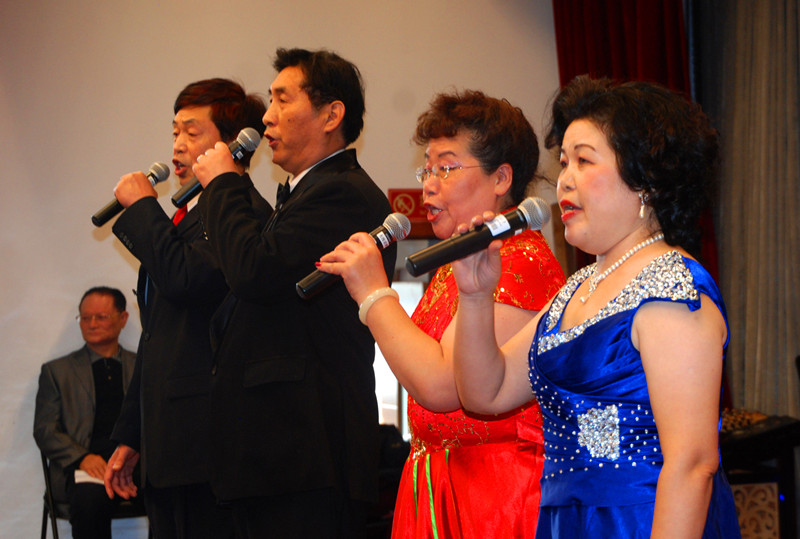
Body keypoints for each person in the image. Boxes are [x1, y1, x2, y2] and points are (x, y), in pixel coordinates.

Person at [450, 76, 741, 537]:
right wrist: (474, 296)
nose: (564, 179)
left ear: (645, 179)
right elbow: (487, 392)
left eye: (584, 160)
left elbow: (692, 464)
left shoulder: (672, 287)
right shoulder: (579, 287)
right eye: (564, 161)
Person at [318, 90, 566, 537]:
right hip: (439, 483)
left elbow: (441, 385)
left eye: (446, 168)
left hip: (491, 495)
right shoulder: (461, 261)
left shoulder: (519, 258)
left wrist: (374, 294)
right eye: (427, 169)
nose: (428, 185)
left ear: (501, 178)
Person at [191, 48, 396, 538]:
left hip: (308, 453)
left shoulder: (342, 192)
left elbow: (254, 271)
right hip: (281, 455)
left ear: (331, 115)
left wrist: (222, 185)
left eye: (283, 100)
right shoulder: (305, 192)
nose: (267, 116)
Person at [103, 78, 269, 538]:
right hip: (167, 443)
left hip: (208, 444)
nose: (177, 145)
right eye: (175, 132)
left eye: (192, 133)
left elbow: (186, 280)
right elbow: (158, 336)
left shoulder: (241, 213)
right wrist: (132, 435)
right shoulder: (187, 215)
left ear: (233, 144)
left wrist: (143, 207)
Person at [34, 287, 137, 539]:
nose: (92, 324)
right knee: (89, 502)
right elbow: (45, 430)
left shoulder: (142, 367)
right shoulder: (57, 372)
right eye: (85, 317)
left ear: (123, 318)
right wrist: (82, 458)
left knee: (174, 492)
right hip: (86, 469)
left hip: (133, 464)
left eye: (101, 317)